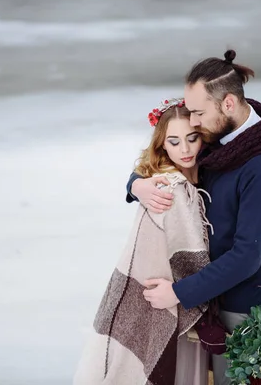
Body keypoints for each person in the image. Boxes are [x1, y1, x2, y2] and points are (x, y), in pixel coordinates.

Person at [126, 50, 261, 385]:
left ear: (228, 104)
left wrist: (178, 293)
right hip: (214, 295)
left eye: (198, 113)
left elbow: (247, 257)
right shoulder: (219, 137)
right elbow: (163, 157)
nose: (192, 122)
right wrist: (138, 185)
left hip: (249, 305)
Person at [73, 98, 213, 385]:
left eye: (192, 138)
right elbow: (186, 259)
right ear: (163, 146)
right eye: (174, 142)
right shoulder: (168, 189)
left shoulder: (207, 173)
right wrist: (136, 185)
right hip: (169, 298)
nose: (185, 150)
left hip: (183, 295)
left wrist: (135, 184)